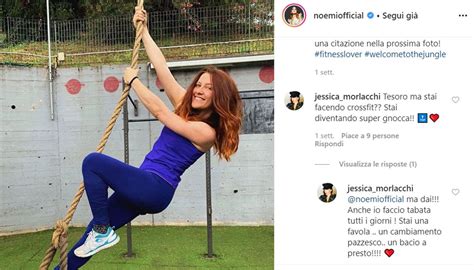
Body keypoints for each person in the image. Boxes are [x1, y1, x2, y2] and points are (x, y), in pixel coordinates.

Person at [55, 7, 242, 269]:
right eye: (199, 84)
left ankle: (101, 231)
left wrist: (134, 81)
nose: (199, 89)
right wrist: (143, 31)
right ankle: (85, 245)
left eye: (208, 88)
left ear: (219, 96)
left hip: (155, 188)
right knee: (89, 238)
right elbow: (163, 70)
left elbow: (160, 113)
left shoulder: (206, 131)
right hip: (143, 183)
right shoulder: (186, 108)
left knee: (93, 162)